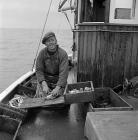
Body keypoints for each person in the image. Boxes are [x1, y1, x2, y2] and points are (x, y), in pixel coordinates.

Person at [35, 31, 69, 99]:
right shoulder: (42, 53)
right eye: (48, 41)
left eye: (52, 40)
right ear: (45, 44)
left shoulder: (63, 54)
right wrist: (44, 84)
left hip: (58, 80)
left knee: (57, 97)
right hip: (45, 80)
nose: (50, 42)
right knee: (41, 97)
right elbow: (39, 70)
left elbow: (64, 73)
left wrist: (57, 88)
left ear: (56, 41)